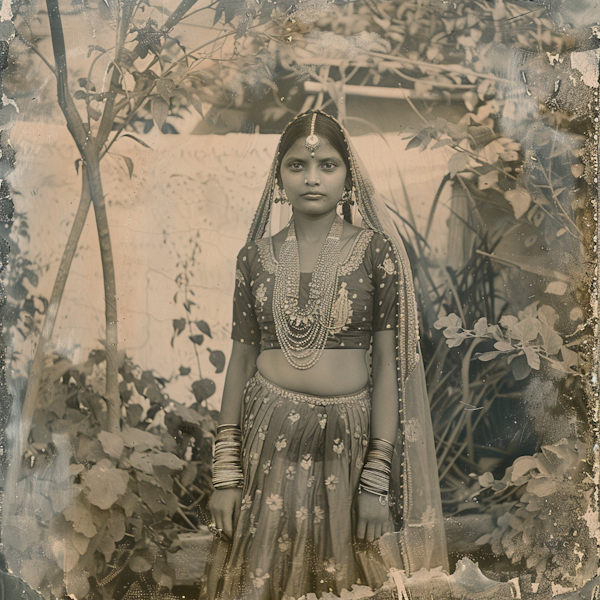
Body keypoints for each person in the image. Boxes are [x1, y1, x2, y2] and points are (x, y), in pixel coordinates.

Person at [203, 111, 448, 600]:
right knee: (260, 569)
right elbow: (241, 360)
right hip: (267, 437)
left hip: (349, 442)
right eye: (296, 165)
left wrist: (376, 479)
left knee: (347, 567)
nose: (312, 177)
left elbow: (387, 370)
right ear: (278, 177)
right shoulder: (253, 258)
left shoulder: (377, 253)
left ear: (348, 177)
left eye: (327, 165)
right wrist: (226, 475)